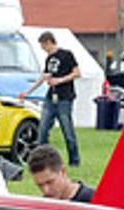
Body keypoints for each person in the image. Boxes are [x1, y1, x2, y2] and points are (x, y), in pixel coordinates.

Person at [23, 31, 82, 167]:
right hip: (50, 98)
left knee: (67, 131)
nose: (43, 49)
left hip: (64, 98)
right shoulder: (49, 58)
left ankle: (74, 160)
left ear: (49, 42)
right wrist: (28, 91)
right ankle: (42, 161)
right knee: (42, 130)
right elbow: (44, 76)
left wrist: (60, 80)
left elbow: (77, 73)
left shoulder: (66, 55)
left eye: (43, 46)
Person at [26, 145, 93, 202]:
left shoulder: (93, 201)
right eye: (40, 185)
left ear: (63, 171)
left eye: (50, 182)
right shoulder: (43, 207)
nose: (46, 191)